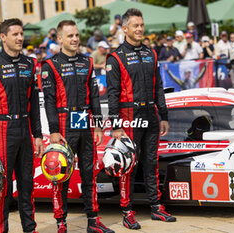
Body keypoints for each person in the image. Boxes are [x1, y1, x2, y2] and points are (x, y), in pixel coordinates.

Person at [106, 8, 176, 230]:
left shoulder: (151, 53)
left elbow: (159, 88)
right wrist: (116, 125)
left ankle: (156, 207)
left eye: (141, 25)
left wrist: (163, 115)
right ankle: (127, 211)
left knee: (152, 163)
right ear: (124, 28)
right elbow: (112, 94)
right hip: (128, 117)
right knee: (129, 165)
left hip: (151, 115)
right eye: (135, 26)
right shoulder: (115, 57)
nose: (139, 29)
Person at [42, 20, 113, 233]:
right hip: (63, 123)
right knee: (60, 174)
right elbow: (48, 101)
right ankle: (61, 223)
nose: (75, 39)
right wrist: (54, 130)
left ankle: (93, 220)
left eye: (77, 35)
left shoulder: (88, 62)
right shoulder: (50, 65)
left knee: (89, 173)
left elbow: (94, 97)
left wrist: (98, 126)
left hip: (84, 120)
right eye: (70, 35)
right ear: (60, 39)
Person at [0, 18, 44, 233]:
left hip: (25, 131)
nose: (20, 38)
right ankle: (0, 230)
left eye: (21, 34)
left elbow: (34, 103)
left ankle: (29, 229)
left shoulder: (30, 64)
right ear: (3, 37)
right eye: (15, 34)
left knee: (27, 185)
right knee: (1, 187)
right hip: (2, 131)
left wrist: (38, 134)